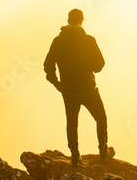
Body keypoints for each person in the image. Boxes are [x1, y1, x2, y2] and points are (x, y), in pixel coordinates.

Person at [44, 9, 113, 166]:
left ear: (68, 21)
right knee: (100, 118)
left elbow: (48, 65)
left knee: (72, 122)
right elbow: (99, 66)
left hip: (68, 90)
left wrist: (56, 83)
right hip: (88, 89)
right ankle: (103, 152)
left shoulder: (58, 41)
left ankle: (75, 156)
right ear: (82, 21)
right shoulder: (89, 41)